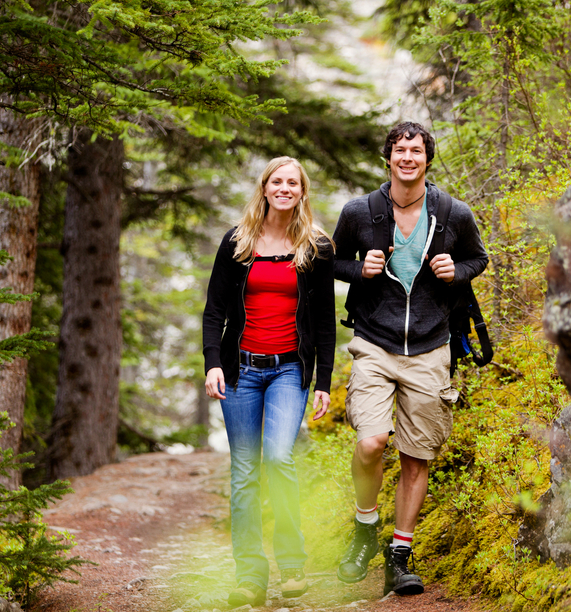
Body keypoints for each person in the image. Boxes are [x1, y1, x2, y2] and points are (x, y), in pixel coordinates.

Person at [331, 122, 488, 596]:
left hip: (431, 345)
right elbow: (331, 262)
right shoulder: (361, 210)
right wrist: (359, 269)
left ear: (427, 159)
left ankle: (399, 554)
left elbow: (478, 259)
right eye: (399, 150)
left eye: (416, 151)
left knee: (416, 455)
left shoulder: (453, 212)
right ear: (388, 157)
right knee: (371, 442)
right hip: (374, 343)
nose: (407, 158)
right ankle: (364, 527)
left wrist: (455, 271)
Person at [203, 156, 336, 607]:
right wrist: (212, 362)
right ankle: (249, 577)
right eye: (276, 181)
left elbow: (323, 322)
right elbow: (214, 310)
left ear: (302, 191)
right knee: (244, 473)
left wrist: (323, 381)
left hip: (288, 370)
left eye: (292, 182)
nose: (283, 188)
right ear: (264, 189)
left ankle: (292, 564)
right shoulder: (237, 243)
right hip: (240, 369)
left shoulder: (316, 246)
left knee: (278, 458)